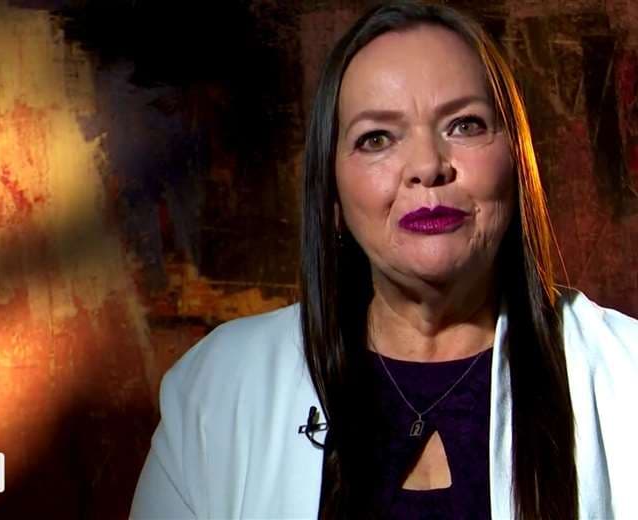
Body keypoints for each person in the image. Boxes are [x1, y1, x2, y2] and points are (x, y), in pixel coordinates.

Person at [130, 1, 638, 518]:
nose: (427, 166)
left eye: (464, 125)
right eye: (376, 139)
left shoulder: (628, 378)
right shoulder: (216, 391)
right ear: (331, 192)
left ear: (517, 160)